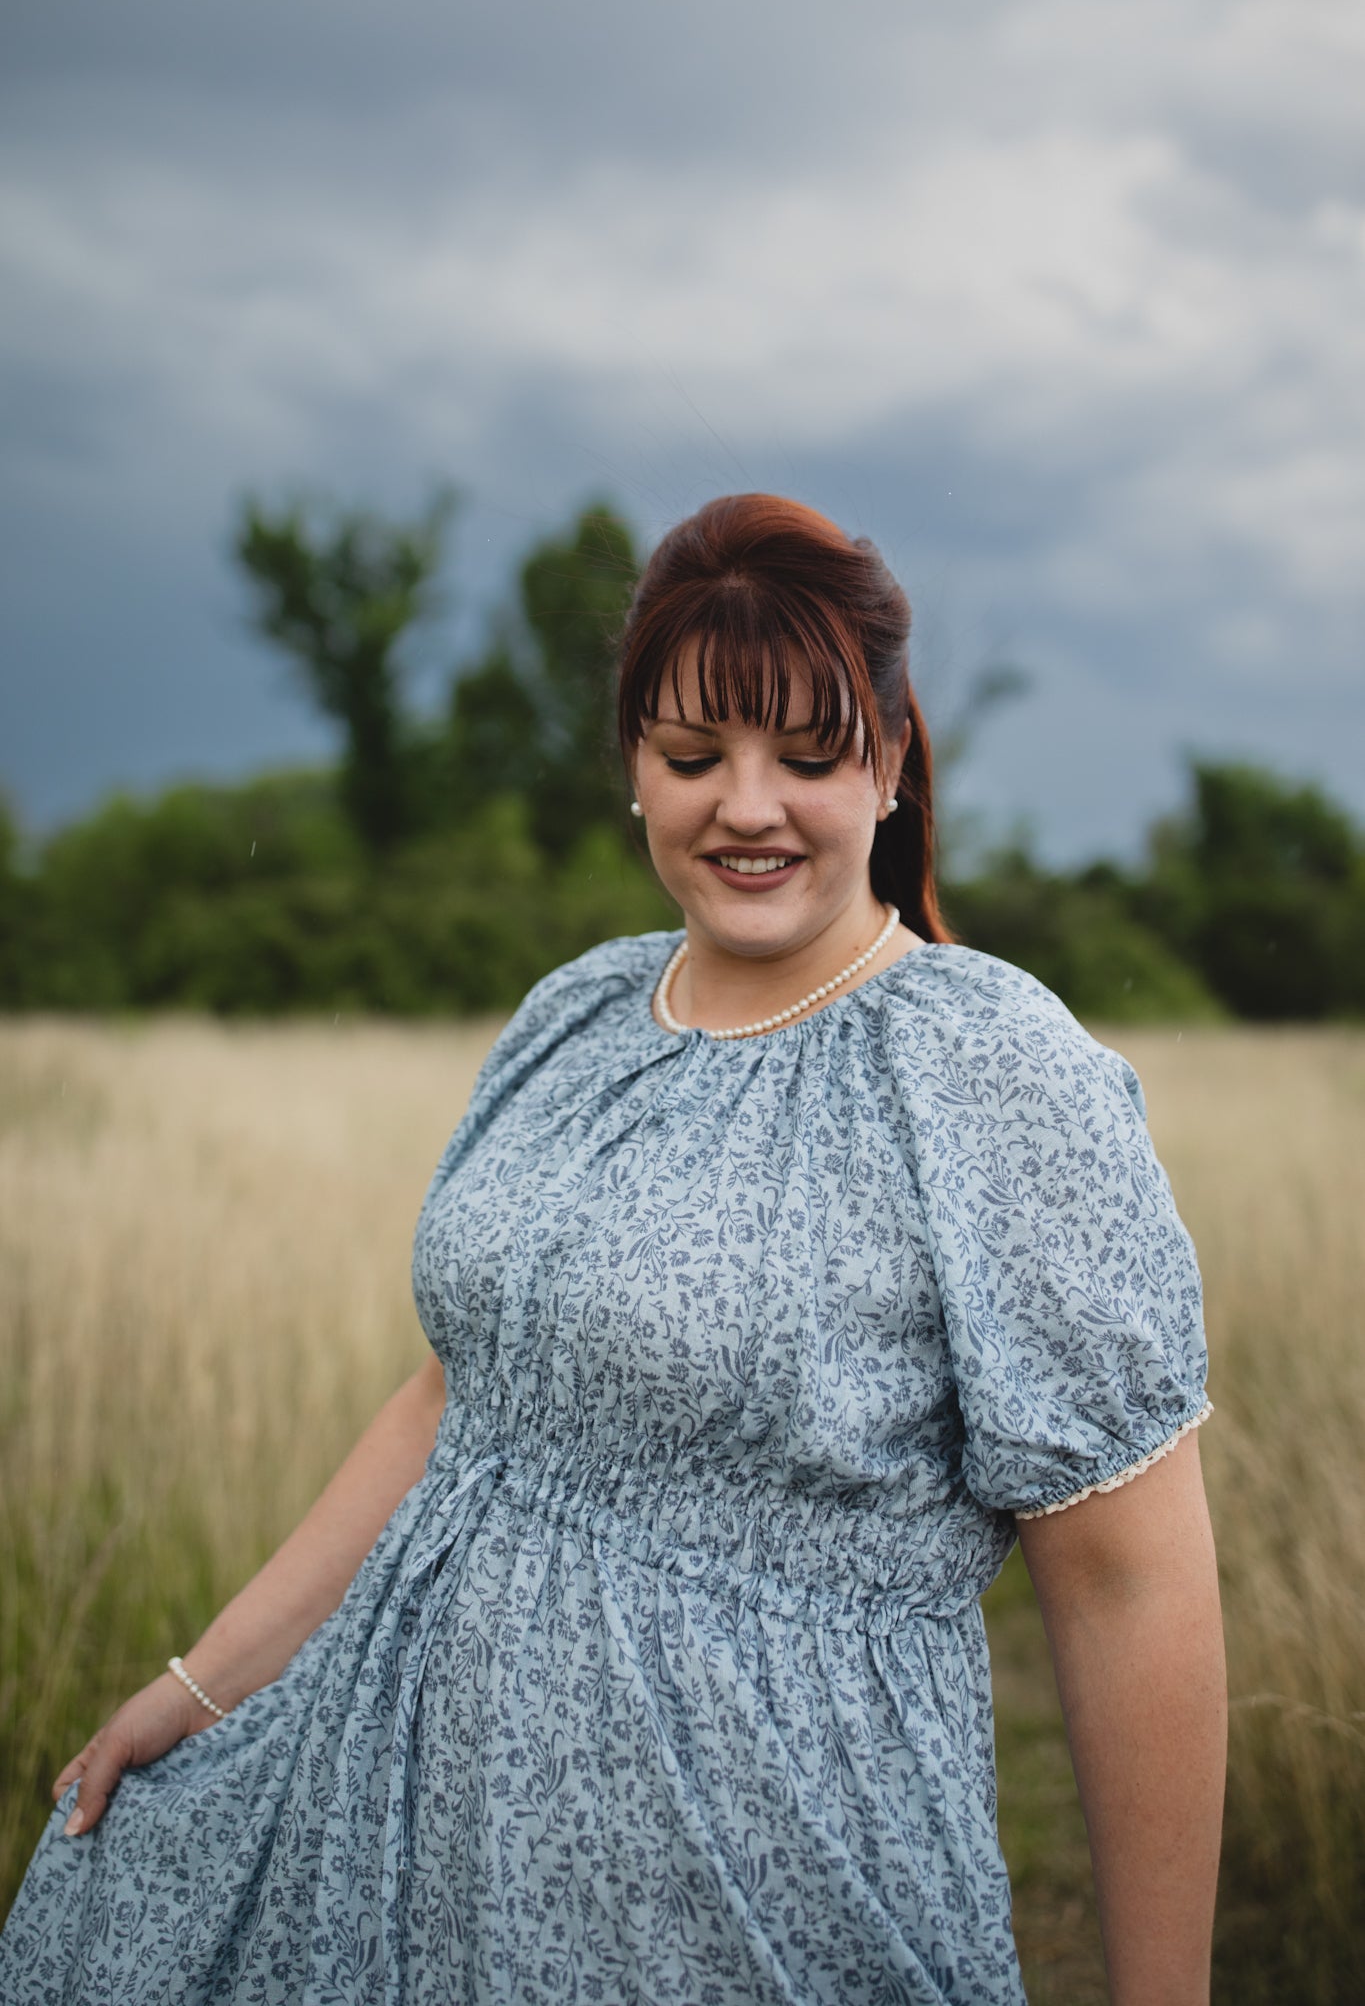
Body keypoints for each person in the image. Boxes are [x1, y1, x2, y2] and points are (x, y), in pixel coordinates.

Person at [0, 493, 1225, 2006]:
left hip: (751, 1895)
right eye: (694, 756)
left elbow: (1124, 1588)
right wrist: (197, 1686)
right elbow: (465, 1407)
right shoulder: (573, 1019)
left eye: (807, 755)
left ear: (894, 763)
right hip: (420, 1844)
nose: (746, 808)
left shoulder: (991, 1076)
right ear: (633, 771)